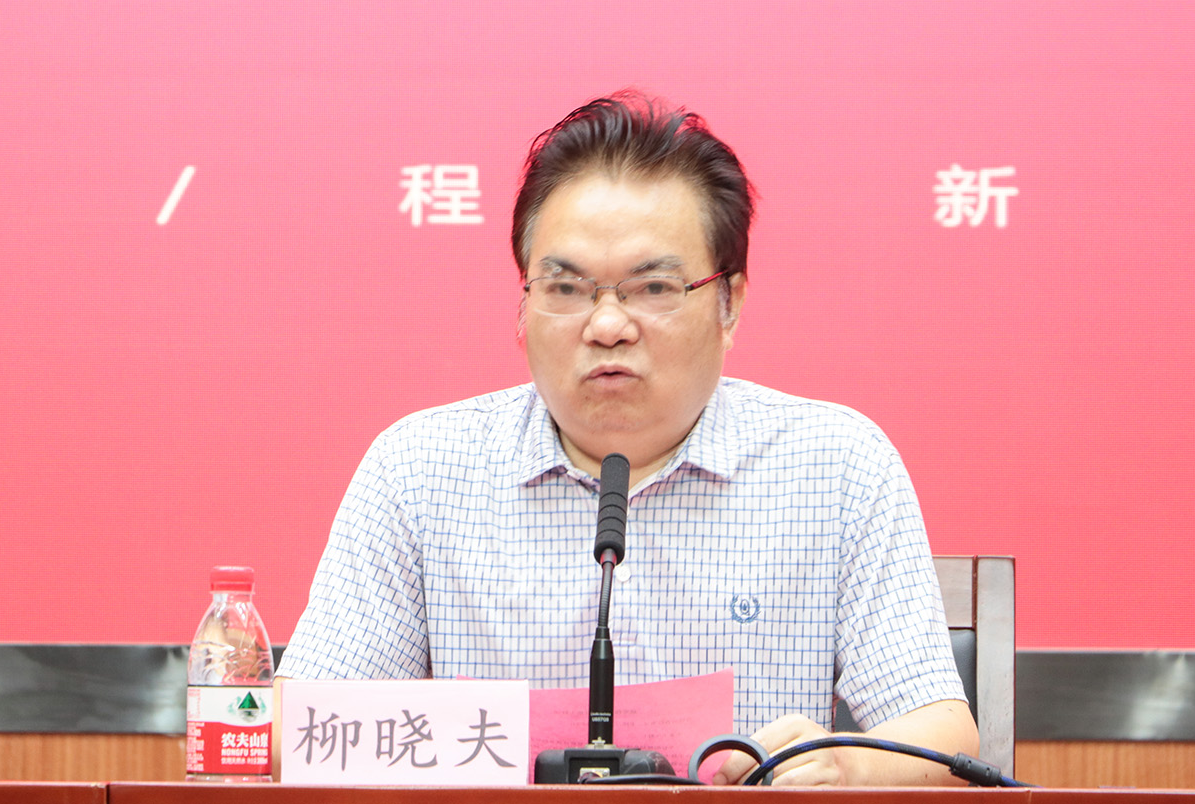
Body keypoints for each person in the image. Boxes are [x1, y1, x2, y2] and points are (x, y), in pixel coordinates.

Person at [277, 91, 980, 785]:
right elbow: (297, 730)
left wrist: (846, 763)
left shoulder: (837, 467)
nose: (607, 325)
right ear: (523, 304)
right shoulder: (419, 471)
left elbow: (941, 733)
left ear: (730, 303)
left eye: (653, 288)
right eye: (566, 288)